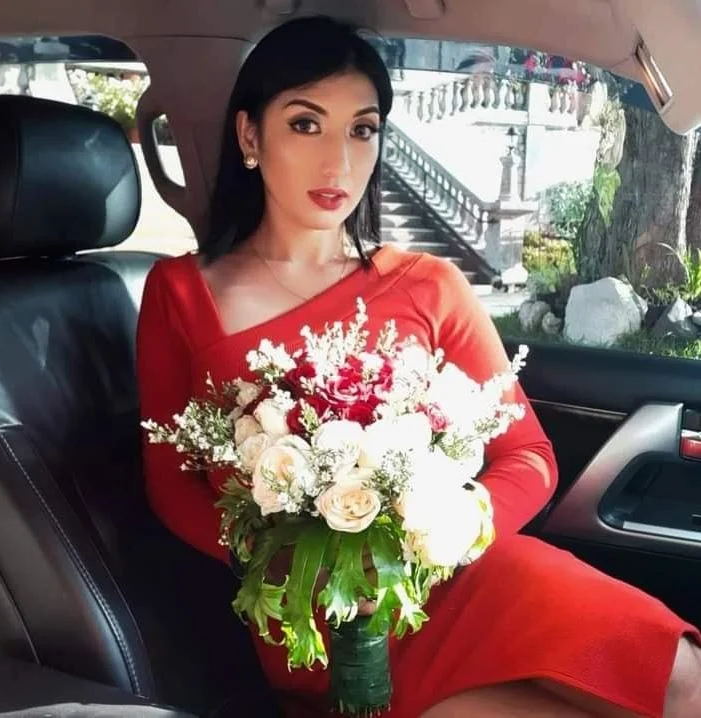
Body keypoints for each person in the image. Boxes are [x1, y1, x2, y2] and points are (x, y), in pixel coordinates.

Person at [136, 16, 701, 718]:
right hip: (314, 612)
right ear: (250, 136)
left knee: (680, 681)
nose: (338, 162)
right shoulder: (181, 292)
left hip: (459, 575)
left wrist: (447, 533)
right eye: (305, 125)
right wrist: (279, 558)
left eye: (362, 130)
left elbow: (527, 455)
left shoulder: (428, 284)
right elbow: (171, 484)